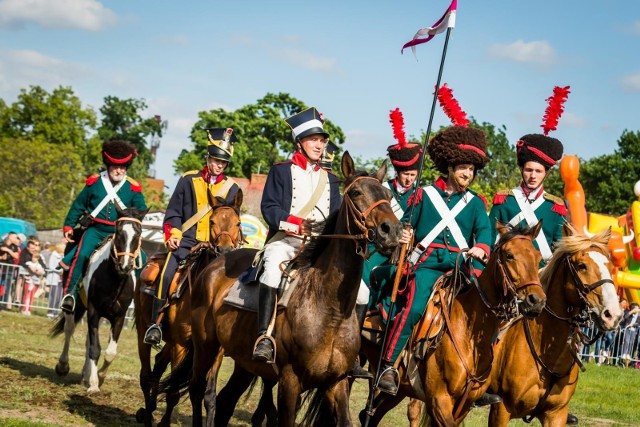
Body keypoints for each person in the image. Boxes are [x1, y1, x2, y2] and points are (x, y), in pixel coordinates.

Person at [372, 123, 492, 395]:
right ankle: (388, 365)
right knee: (414, 308)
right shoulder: (423, 194)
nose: (468, 174)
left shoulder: (476, 203)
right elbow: (405, 223)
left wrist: (482, 247)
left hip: (461, 265)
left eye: (472, 170)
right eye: (463, 168)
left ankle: (485, 376)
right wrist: (405, 234)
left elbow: (485, 231)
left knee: (488, 305)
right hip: (427, 264)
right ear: (450, 167)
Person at [252, 107, 341, 363]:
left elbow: (335, 215)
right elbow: (269, 208)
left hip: (321, 248)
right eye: (314, 139)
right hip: (287, 240)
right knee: (271, 269)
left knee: (360, 292)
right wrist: (296, 224)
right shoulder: (281, 171)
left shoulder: (331, 180)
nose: (319, 145)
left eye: (322, 140)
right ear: (300, 142)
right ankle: (264, 337)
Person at [143, 128, 241, 345]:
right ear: (208, 158)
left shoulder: (232, 188)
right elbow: (173, 212)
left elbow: (234, 219)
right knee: (167, 273)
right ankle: (155, 324)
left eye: (223, 162)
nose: (218, 165)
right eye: (215, 160)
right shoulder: (188, 179)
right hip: (187, 241)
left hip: (217, 247)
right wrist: (173, 234)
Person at [59, 140, 147, 313]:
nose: (119, 171)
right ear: (108, 165)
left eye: (122, 168)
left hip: (119, 233)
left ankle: (139, 299)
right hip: (96, 230)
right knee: (82, 254)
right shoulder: (95, 183)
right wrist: (69, 225)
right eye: (115, 167)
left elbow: (141, 210)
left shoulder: (133, 187)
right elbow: (78, 205)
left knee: (141, 259)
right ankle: (70, 295)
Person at [490, 87, 569, 266]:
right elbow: (489, 239)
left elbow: (558, 248)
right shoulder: (504, 200)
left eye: (538, 171)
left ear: (546, 173)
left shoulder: (555, 207)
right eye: (528, 170)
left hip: (541, 276)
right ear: (521, 170)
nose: (532, 176)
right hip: (507, 273)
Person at [46, 242, 66, 318]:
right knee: (53, 296)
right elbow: (51, 266)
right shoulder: (54, 255)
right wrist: (59, 271)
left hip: (61, 280)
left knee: (59, 297)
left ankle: (55, 312)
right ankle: (50, 311)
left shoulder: (64, 256)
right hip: (54, 279)